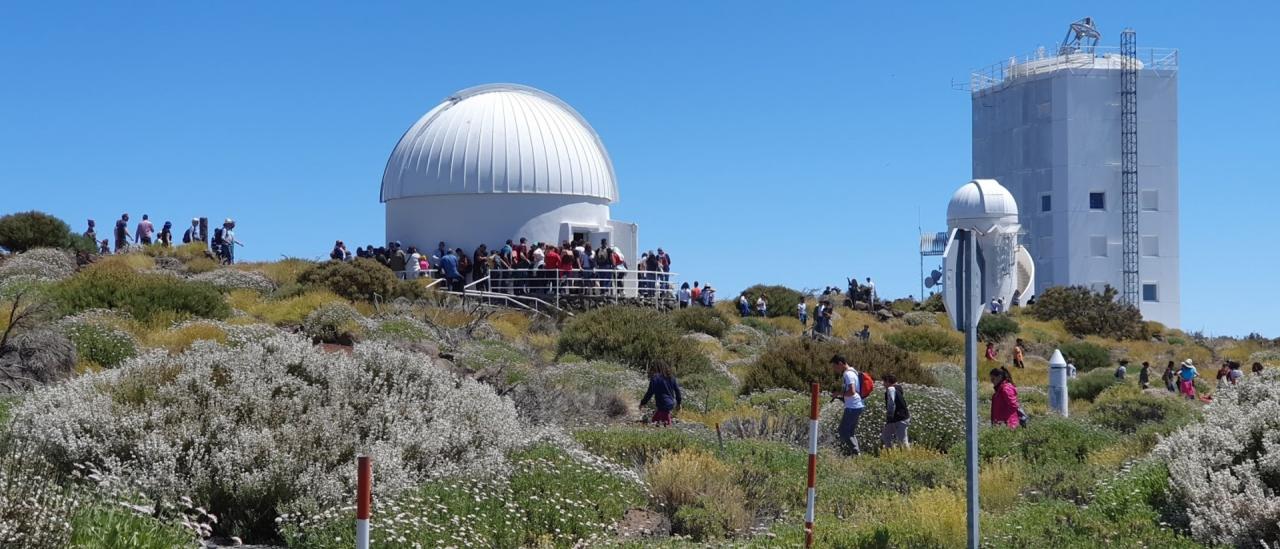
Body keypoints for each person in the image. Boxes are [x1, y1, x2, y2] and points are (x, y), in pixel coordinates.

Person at [829, 355, 866, 455]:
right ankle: (857, 454)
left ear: (840, 363)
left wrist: (838, 394)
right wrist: (842, 396)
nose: (834, 369)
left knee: (843, 431)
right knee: (850, 432)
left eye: (835, 366)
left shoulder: (848, 374)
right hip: (857, 405)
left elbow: (852, 392)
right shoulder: (853, 372)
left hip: (853, 406)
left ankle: (856, 452)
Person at [881, 373, 910, 449]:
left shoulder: (891, 389)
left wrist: (889, 417)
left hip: (900, 418)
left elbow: (891, 403)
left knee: (902, 440)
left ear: (888, 381)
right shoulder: (898, 388)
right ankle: (890, 453)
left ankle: (908, 457)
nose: (883, 384)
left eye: (884, 382)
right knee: (886, 434)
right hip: (898, 417)